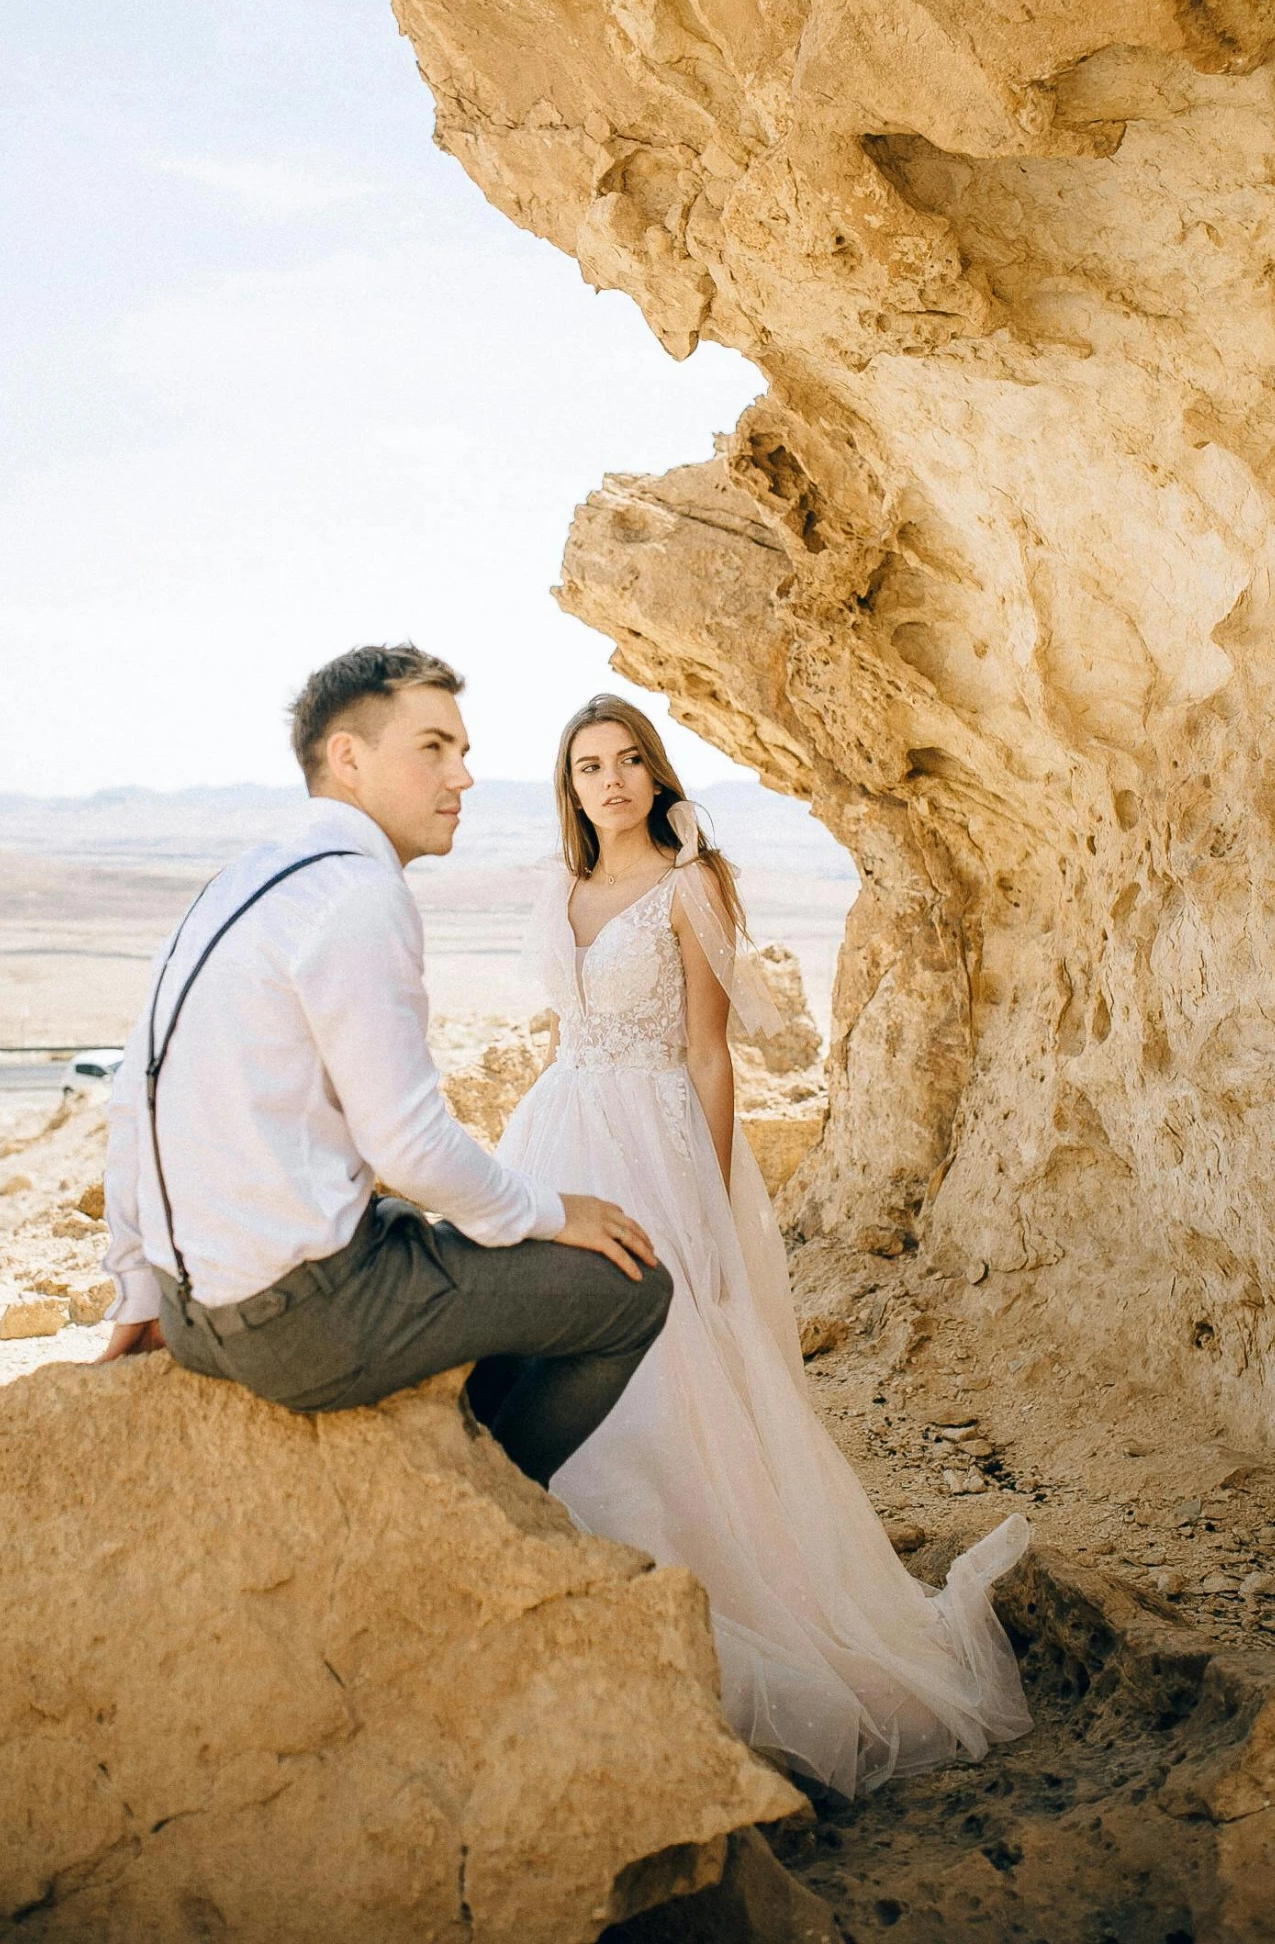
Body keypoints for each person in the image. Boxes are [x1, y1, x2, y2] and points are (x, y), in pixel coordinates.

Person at [496, 693, 1033, 1795]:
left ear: (655, 773)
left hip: (652, 1137)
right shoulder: (560, 887)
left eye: (630, 758)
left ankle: (702, 1595)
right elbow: (569, 1032)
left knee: (668, 1363)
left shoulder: (689, 885)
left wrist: (700, 1194)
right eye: (590, 764)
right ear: (570, 785)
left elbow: (705, 1054)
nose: (611, 780)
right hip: (560, 1131)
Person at [97, 645, 670, 1491]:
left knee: (434, 1231)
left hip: (191, 1314)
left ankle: (457, 1456)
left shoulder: (242, 880)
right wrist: (555, 1212)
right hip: (302, 1324)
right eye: (433, 748)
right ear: (348, 758)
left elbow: (131, 1096)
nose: (463, 777)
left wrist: (140, 1295)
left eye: (463, 752)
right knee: (631, 1291)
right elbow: (409, 1146)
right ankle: (492, 1510)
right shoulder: (358, 895)